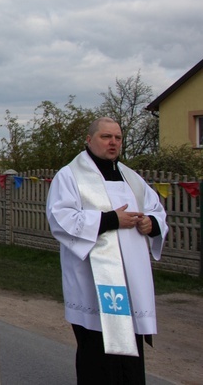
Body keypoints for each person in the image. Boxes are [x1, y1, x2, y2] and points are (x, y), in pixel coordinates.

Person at [47, 117, 168, 384]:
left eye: (118, 138)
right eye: (106, 137)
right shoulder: (70, 176)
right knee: (97, 357)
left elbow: (157, 209)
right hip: (91, 284)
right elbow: (60, 219)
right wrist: (111, 220)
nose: (113, 142)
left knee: (130, 358)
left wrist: (152, 223)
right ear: (89, 140)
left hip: (131, 282)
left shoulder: (132, 178)